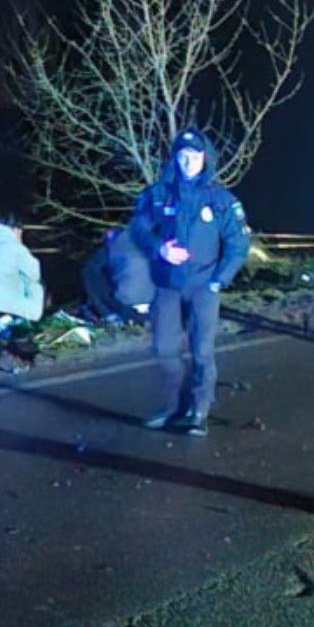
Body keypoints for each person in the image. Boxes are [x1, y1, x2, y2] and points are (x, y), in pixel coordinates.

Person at [127, 128, 252, 436]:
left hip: (203, 287)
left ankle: (199, 410)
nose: (188, 162)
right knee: (165, 348)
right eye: (182, 156)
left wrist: (218, 281)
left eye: (194, 156)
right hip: (166, 285)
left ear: (204, 158)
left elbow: (238, 245)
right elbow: (138, 230)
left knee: (201, 351)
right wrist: (160, 249)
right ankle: (173, 406)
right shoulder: (157, 194)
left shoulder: (221, 200)